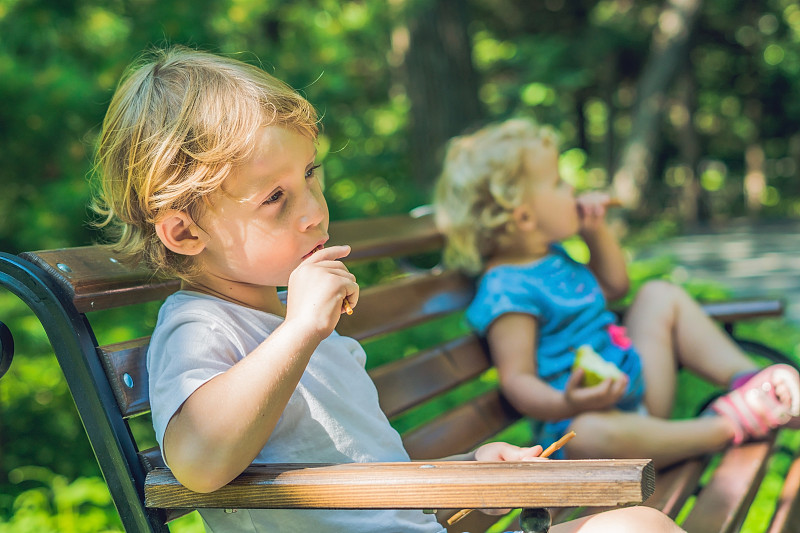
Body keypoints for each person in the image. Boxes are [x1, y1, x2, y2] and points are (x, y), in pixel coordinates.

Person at [91, 46, 685, 533]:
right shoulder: (201, 326)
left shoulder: (302, 329)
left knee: (636, 527)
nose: (313, 212)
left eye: (309, 177)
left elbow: (376, 485)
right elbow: (197, 463)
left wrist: (470, 475)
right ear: (185, 231)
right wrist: (300, 329)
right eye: (275, 199)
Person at [434, 118, 800, 469]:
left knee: (658, 294)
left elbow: (613, 287)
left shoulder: (552, 256)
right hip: (589, 424)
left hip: (636, 388)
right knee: (589, 434)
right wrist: (566, 401)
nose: (572, 190)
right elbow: (518, 380)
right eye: (559, 183)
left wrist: (595, 233)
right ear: (525, 218)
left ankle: (752, 382)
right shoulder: (506, 291)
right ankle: (727, 425)